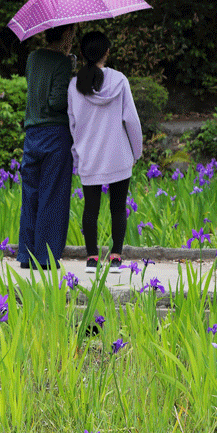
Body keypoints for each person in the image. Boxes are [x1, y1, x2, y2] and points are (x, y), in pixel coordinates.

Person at [67, 30, 142, 270]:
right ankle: (116, 257)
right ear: (107, 52)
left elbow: (72, 125)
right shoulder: (120, 81)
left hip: (90, 156)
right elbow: (131, 120)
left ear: (81, 53)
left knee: (91, 208)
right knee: (118, 208)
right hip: (118, 155)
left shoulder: (74, 86)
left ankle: (91, 258)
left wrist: (77, 156)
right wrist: (136, 152)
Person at [17, 22, 77, 270]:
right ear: (65, 34)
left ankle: (26, 254)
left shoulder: (32, 58)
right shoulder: (62, 63)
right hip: (55, 134)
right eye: (72, 33)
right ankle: (45, 257)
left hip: (31, 133)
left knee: (30, 194)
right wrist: (71, 72)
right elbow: (56, 102)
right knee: (53, 193)